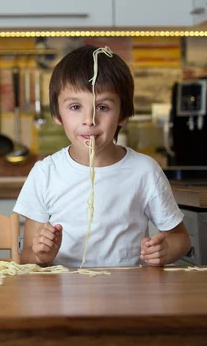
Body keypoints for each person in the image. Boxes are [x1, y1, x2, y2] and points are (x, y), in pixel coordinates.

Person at [15, 45, 190, 267]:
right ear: (57, 114)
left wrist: (165, 251)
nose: (89, 120)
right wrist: (41, 255)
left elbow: (181, 239)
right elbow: (27, 254)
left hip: (127, 293)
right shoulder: (45, 173)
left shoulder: (145, 171)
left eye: (103, 107)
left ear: (123, 115)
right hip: (63, 296)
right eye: (76, 106)